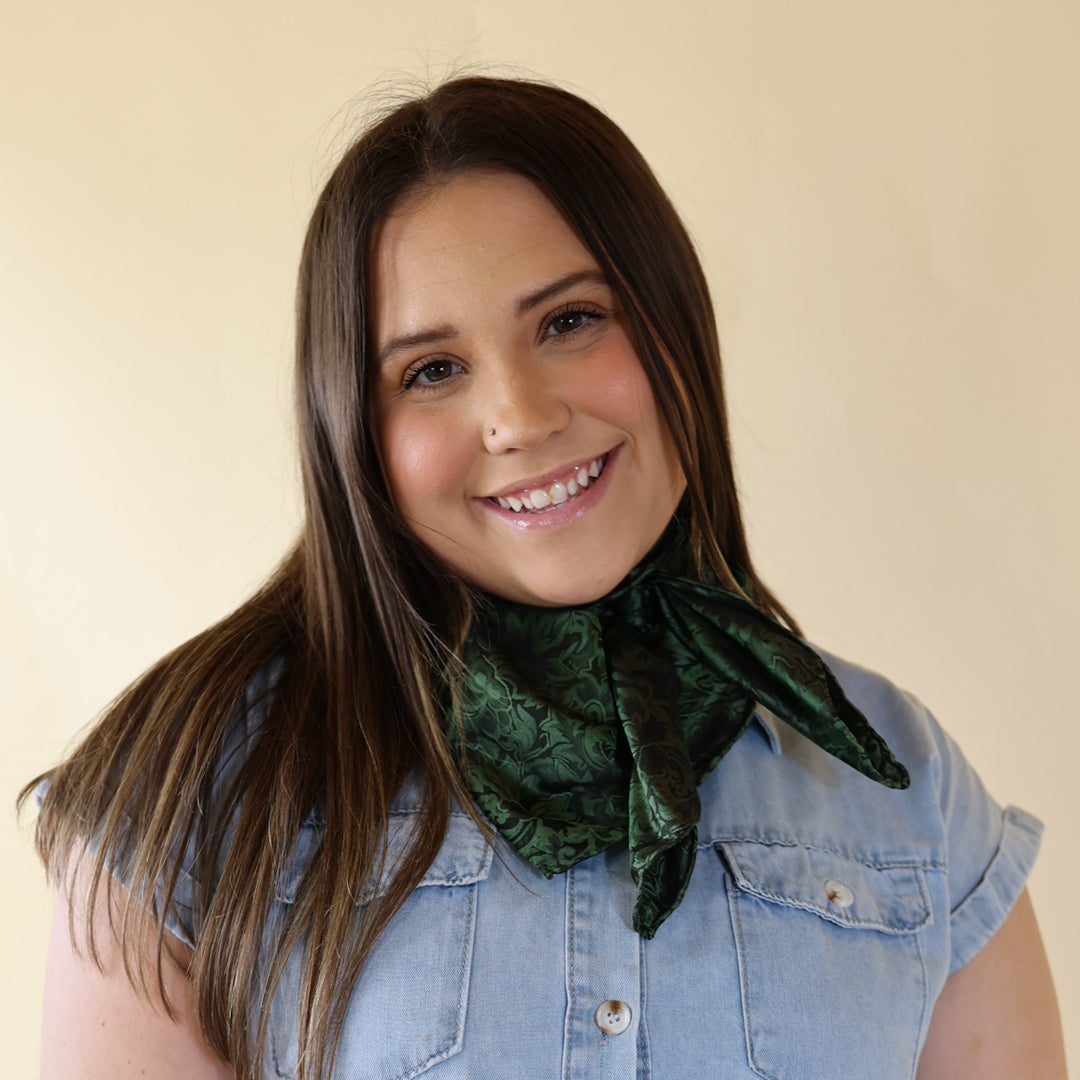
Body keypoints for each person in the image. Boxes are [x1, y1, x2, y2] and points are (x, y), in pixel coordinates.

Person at [24, 76, 1066, 1080]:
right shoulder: (197, 789)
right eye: (431, 370)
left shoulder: (907, 792)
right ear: (354, 434)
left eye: (570, 320)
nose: (520, 416)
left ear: (674, 329)